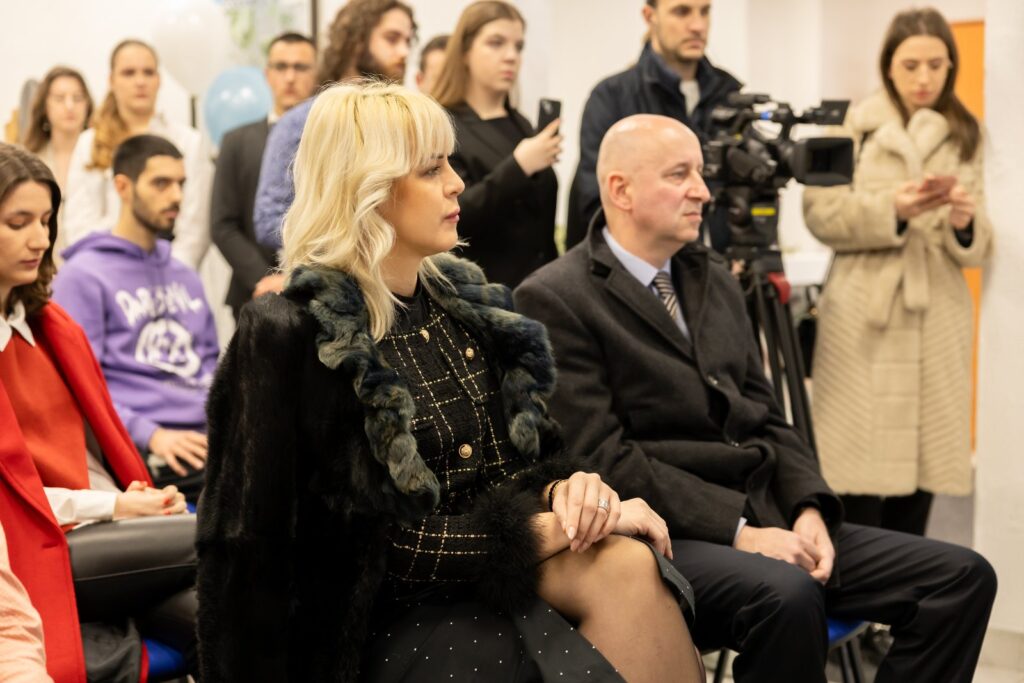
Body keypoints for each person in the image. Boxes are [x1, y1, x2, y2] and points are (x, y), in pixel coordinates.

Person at [196, 82, 703, 683]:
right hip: (373, 621)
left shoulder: (461, 306)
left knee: (629, 565)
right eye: (432, 168)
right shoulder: (291, 331)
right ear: (370, 187)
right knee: (608, 583)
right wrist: (549, 529)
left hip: (483, 576)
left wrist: (567, 492)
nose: (458, 183)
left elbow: (520, 466)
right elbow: (348, 548)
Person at [514, 114, 997, 683]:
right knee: (788, 595)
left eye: (701, 172)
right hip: (670, 532)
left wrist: (809, 508)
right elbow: (604, 460)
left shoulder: (713, 276)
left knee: (961, 577)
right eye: (680, 174)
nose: (703, 191)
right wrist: (741, 533)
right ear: (621, 190)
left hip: (766, 507)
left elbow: (767, 415)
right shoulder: (555, 296)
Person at [0, 142, 196, 682]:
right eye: (18, 223)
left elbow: (91, 455)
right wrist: (115, 505)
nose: (40, 239)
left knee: (218, 613)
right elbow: (13, 505)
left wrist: (133, 498)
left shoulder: (49, 327)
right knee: (229, 533)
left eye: (45, 220)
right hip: (41, 543)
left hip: (105, 530)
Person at [802, 8, 992, 538]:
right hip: (864, 313)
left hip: (936, 312)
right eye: (910, 65)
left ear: (951, 66)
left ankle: (910, 582)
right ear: (888, 65)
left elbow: (979, 244)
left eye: (936, 65)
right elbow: (820, 212)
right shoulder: (853, 128)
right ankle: (851, 581)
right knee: (853, 469)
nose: (924, 78)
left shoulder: (966, 134)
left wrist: (963, 222)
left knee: (922, 473)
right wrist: (893, 209)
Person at [53, 135, 218, 498]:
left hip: (208, 436)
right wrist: (150, 434)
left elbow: (211, 364)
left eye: (180, 183)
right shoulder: (83, 275)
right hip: (143, 444)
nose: (176, 196)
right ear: (123, 187)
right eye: (161, 183)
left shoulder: (185, 275)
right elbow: (78, 385)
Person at [565, 0, 741, 252]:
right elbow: (597, 202)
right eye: (682, 11)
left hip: (721, 266)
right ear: (650, 16)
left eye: (705, 12)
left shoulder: (730, 97)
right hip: (645, 267)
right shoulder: (613, 98)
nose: (697, 26)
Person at [253, 0, 416, 250]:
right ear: (356, 41)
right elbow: (269, 220)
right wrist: (346, 246)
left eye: (408, 41)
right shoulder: (301, 122)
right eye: (391, 39)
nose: (404, 52)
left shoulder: (406, 121)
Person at [430, 0, 559, 288]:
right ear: (465, 51)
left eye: (518, 46)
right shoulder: (443, 125)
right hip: (482, 292)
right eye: (496, 43)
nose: (511, 56)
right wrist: (519, 167)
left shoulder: (521, 124)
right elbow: (453, 214)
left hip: (542, 289)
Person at [64, 40, 212, 270]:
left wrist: (169, 273)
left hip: (169, 270)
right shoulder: (89, 143)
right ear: (111, 81)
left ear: (159, 80)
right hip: (104, 270)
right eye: (129, 73)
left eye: (148, 72)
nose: (140, 81)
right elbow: (78, 224)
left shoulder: (189, 142)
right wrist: (113, 270)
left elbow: (195, 228)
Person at [211, 32, 317, 320]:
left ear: (316, 73)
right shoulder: (236, 141)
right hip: (254, 293)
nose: (290, 77)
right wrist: (264, 278)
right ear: (267, 74)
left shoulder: (332, 140)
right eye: (281, 67)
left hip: (322, 290)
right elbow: (223, 224)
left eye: (300, 67)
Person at [20, 66, 94, 264]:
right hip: (41, 266)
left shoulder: (102, 160)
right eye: (60, 98)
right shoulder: (27, 161)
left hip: (91, 265)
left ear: (88, 105)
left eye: (78, 98)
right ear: (45, 106)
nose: (70, 106)